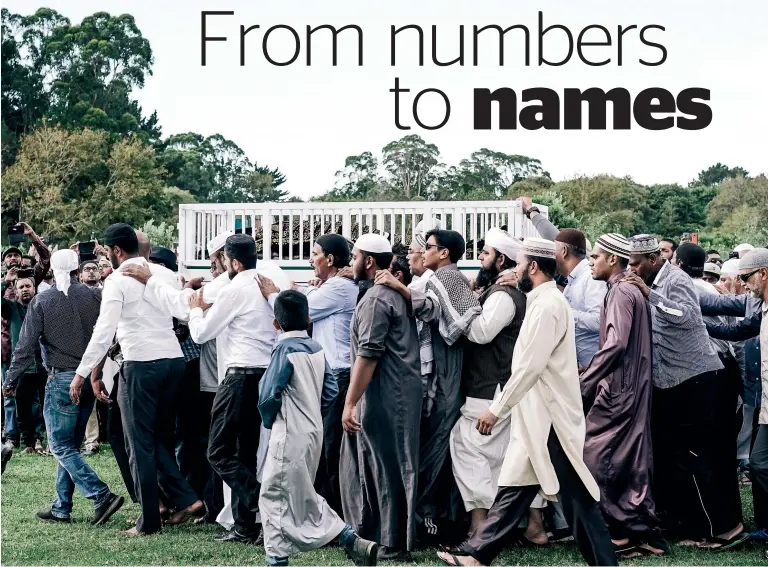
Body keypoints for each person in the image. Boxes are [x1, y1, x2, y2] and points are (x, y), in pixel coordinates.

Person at [436, 237, 617, 567]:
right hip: (535, 417)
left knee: (577, 502)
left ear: (533, 267)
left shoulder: (547, 306)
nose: (512, 270)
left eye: (518, 264)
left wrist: (496, 408)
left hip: (549, 419)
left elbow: (529, 366)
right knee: (512, 489)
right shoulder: (541, 300)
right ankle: (478, 556)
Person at [75, 223, 202, 536]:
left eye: (106, 252)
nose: (106, 258)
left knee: (140, 443)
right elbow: (183, 311)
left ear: (117, 251)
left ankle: (150, 520)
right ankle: (186, 499)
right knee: (158, 437)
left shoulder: (117, 280)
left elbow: (105, 331)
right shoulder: (164, 273)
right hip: (173, 361)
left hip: (142, 363)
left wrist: (82, 373)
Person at [625, 235, 747, 550]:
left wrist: (649, 294)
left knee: (702, 457)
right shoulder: (651, 279)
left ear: (653, 259)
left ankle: (722, 529)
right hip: (674, 385)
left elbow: (687, 316)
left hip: (697, 381)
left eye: (636, 263)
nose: (632, 269)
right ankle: (697, 526)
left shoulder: (674, 279)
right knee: (677, 458)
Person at [257, 290, 378, 566]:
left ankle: (279, 558)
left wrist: (268, 420)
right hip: (313, 432)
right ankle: (348, 539)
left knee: (273, 495)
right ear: (309, 319)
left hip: (288, 432)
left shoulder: (283, 350)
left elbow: (268, 395)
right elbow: (331, 392)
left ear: (276, 324)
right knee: (301, 492)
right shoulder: (317, 350)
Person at [4, 250, 124, 525]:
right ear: (77, 269)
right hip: (89, 376)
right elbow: (108, 335)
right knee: (70, 445)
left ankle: (101, 496)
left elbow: (24, 347)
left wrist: (9, 380)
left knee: (59, 446)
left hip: (61, 380)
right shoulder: (95, 296)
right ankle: (61, 507)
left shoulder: (42, 301)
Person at [186, 234, 277, 544]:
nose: (223, 265)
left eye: (224, 260)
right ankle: (245, 527)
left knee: (218, 450)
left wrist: (196, 308)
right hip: (264, 376)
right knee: (246, 452)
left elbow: (200, 334)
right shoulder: (265, 284)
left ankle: (258, 502)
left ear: (235, 262)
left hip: (239, 377)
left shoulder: (235, 289)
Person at [580, 234, 665, 557]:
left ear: (612, 260)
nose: (591, 262)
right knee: (630, 459)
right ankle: (639, 531)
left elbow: (615, 344)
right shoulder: (628, 290)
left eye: (595, 257)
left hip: (619, 389)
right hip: (631, 386)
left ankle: (623, 530)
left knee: (596, 458)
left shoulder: (620, 292)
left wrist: (587, 378)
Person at [340, 233, 422, 561]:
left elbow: (369, 355)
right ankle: (382, 537)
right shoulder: (389, 294)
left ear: (369, 261)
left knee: (387, 467)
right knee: (388, 465)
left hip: (387, 391)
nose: (351, 263)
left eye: (355, 257)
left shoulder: (376, 299)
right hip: (396, 390)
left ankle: (391, 542)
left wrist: (349, 402)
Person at [295, 233, 357, 518]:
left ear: (330, 259)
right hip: (333, 373)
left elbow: (300, 313)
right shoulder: (333, 286)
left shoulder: (339, 288)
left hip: (339, 373)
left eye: (315, 254)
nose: (311, 260)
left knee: (331, 448)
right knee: (325, 446)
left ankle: (333, 515)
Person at [733, 248, 768, 544]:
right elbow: (740, 328)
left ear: (763, 273)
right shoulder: (761, 310)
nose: (744, 284)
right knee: (757, 463)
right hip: (765, 406)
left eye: (746, 277)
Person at [2, 269, 46, 453]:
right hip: (21, 367)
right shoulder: (11, 309)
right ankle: (28, 443)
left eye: (28, 286)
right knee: (23, 407)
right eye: (21, 287)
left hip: (44, 364)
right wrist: (4, 282)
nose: (25, 289)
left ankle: (42, 440)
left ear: (34, 288)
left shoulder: (43, 305)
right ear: (16, 290)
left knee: (45, 406)